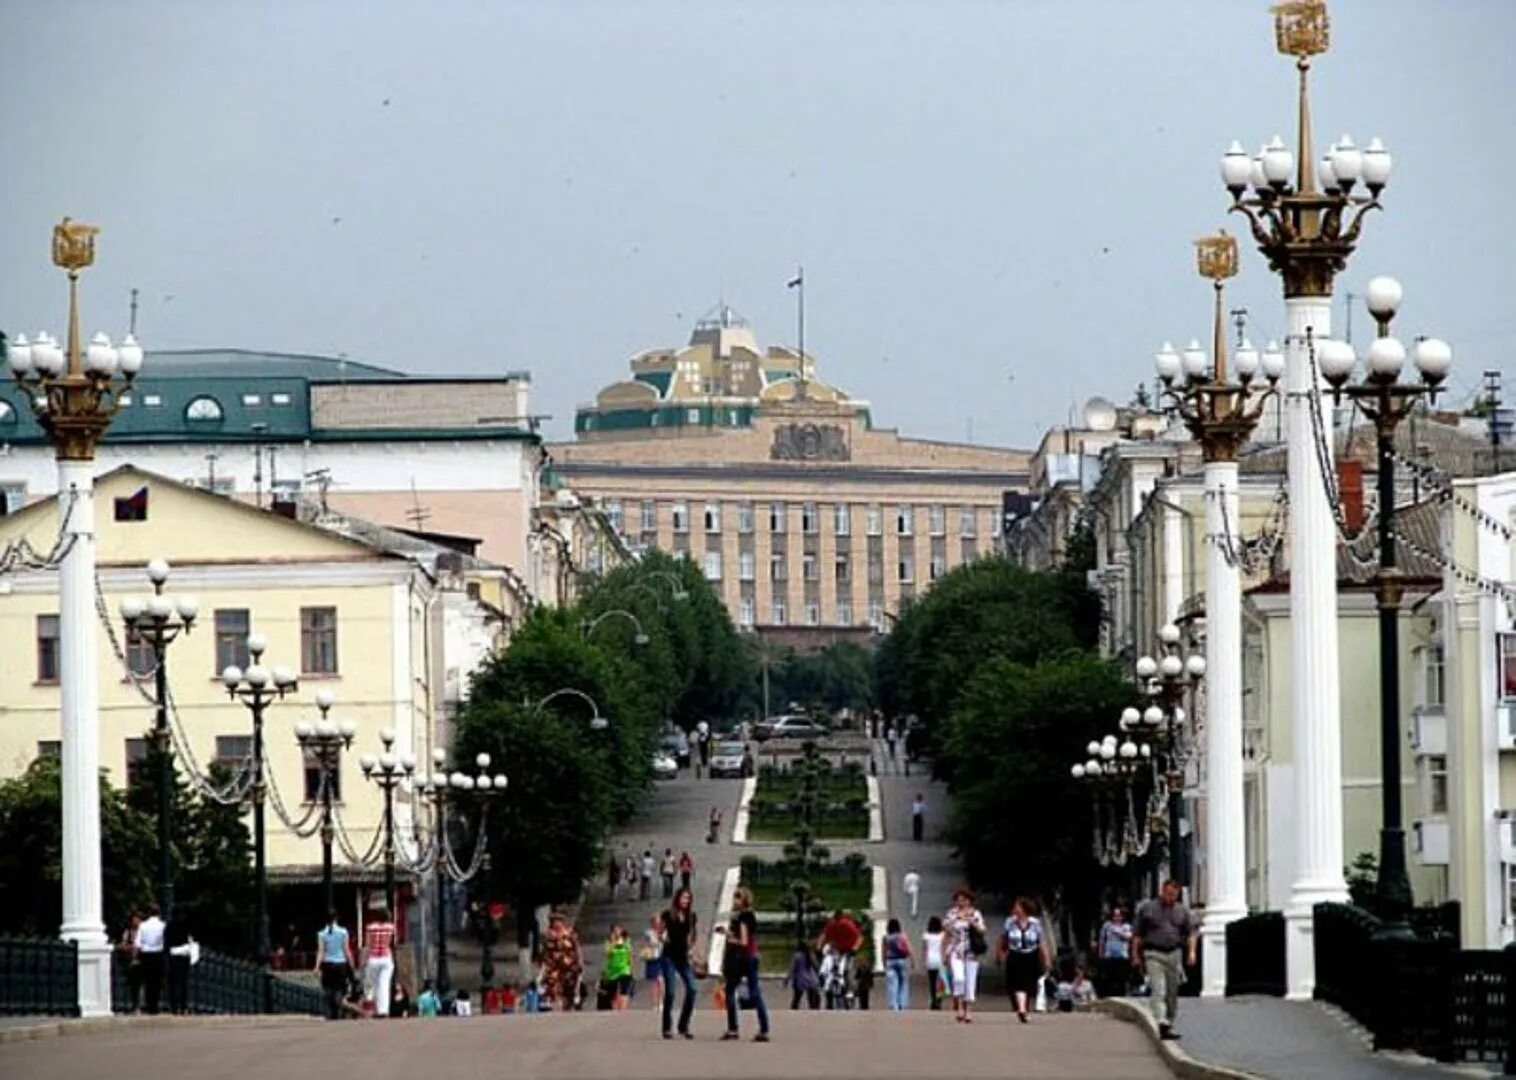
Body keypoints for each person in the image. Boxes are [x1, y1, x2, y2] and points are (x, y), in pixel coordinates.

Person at [1133, 879, 1195, 1041]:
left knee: (1172, 993)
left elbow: (1190, 934)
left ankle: (1168, 1022)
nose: (1171, 898)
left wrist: (1191, 953)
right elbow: (1138, 935)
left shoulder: (1182, 911)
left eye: (1174, 895)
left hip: (1174, 954)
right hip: (1153, 953)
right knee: (1158, 989)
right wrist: (1135, 955)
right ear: (1162, 891)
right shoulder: (1148, 909)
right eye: (1168, 894)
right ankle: (1161, 1021)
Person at [719, 887, 770, 1042]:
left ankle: (733, 1028)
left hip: (742, 958)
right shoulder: (751, 915)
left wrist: (728, 937)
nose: (735, 901)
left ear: (744, 900)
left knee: (730, 991)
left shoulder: (742, 917)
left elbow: (743, 941)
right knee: (755, 992)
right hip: (752, 956)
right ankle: (764, 1028)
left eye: (738, 898)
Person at [998, 897, 1051, 1023]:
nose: (1015, 909)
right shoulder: (1009, 922)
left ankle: (1023, 1009)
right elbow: (1003, 939)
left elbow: (1041, 942)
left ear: (1024, 909)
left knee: (1027, 983)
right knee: (1016, 984)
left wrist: (1047, 959)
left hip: (1030, 956)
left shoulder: (1035, 923)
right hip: (1014, 955)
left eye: (1018, 907)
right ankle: (1021, 1009)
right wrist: (1001, 954)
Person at [660, 886, 700, 1039]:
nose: (685, 901)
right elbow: (660, 930)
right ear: (677, 899)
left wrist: (692, 948)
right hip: (669, 956)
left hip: (683, 957)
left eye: (688, 898)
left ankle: (683, 1025)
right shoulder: (669, 914)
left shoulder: (691, 916)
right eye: (683, 898)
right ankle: (666, 1027)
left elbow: (693, 934)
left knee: (692, 989)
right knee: (670, 992)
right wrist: (663, 938)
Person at [943, 888, 986, 1024]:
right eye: (958, 900)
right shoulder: (952, 913)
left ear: (969, 901)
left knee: (970, 982)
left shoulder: (976, 913)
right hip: (956, 950)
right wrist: (944, 952)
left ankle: (968, 1011)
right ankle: (959, 1006)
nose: (961, 902)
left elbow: (982, 930)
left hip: (971, 951)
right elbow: (945, 929)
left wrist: (971, 921)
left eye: (964, 900)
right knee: (959, 978)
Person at [315, 910, 357, 1020]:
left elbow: (321, 951)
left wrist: (317, 966)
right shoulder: (343, 932)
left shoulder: (321, 934)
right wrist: (351, 962)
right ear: (336, 918)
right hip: (341, 963)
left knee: (328, 988)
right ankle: (338, 1009)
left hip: (327, 964)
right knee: (339, 988)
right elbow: (346, 949)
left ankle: (330, 1012)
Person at [541, 911, 583, 1015]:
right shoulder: (548, 936)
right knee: (553, 987)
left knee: (569, 989)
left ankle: (568, 1007)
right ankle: (557, 1008)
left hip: (570, 966)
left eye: (559, 921)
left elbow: (576, 947)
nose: (557, 924)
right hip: (554, 967)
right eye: (554, 921)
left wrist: (580, 961)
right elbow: (545, 951)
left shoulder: (570, 933)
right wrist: (543, 964)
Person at [361, 907, 398, 1018]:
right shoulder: (391, 928)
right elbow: (391, 943)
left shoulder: (371, 928)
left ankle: (374, 1008)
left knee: (373, 984)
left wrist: (363, 960)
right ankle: (383, 1010)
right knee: (384, 984)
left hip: (373, 958)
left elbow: (368, 945)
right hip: (386, 957)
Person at [1096, 905, 1134, 998]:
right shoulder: (1106, 926)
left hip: (1122, 956)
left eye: (1119, 915)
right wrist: (1101, 955)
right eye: (1115, 915)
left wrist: (1117, 932)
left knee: (1121, 978)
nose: (1116, 918)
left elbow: (1129, 937)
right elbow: (1102, 941)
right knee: (1109, 977)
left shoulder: (1127, 926)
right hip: (1109, 956)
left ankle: (1122, 994)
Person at [137, 903, 167, 1015]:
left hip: (146, 954)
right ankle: (156, 1005)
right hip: (158, 954)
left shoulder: (143, 926)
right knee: (157, 981)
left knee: (148, 981)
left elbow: (138, 943)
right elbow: (164, 941)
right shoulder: (162, 925)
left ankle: (149, 1004)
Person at [165, 912, 193, 1015]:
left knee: (173, 982)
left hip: (173, 953)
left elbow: (167, 941)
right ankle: (183, 1005)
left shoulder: (170, 926)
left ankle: (174, 1006)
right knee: (183, 982)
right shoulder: (186, 926)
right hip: (184, 953)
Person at [883, 918, 913, 1012]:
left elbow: (884, 951)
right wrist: (912, 960)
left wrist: (884, 962)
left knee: (892, 984)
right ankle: (902, 1004)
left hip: (890, 961)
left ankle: (893, 1004)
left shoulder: (886, 937)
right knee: (903, 983)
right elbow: (909, 948)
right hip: (902, 961)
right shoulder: (903, 936)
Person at [604, 923, 634, 1011]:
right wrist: (613, 942)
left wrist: (631, 967)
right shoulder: (608, 942)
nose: (616, 932)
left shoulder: (626, 941)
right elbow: (608, 954)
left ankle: (622, 1010)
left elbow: (630, 954)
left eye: (618, 930)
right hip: (612, 970)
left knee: (624, 990)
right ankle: (615, 1008)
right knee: (614, 992)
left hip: (624, 969)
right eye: (614, 931)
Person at [118, 912, 143, 1014]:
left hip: (142, 961)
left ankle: (140, 1005)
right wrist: (129, 948)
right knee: (133, 985)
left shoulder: (143, 932)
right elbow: (122, 945)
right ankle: (133, 1005)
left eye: (137, 919)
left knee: (141, 984)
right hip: (131, 962)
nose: (135, 921)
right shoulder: (128, 932)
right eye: (134, 919)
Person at [782, 944, 820, 1010]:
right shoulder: (810, 955)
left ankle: (793, 1013)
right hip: (810, 980)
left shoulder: (797, 956)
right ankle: (814, 1014)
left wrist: (787, 979)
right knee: (812, 1001)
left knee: (796, 999)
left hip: (800, 980)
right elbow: (816, 966)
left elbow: (792, 969)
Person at [641, 914, 665, 1011]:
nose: (657, 924)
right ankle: (655, 1003)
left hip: (662, 957)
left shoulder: (664, 931)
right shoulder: (648, 933)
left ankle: (661, 1002)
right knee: (654, 981)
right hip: (652, 957)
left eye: (658, 922)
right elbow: (645, 944)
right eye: (655, 922)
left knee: (661, 980)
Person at [922, 915, 946, 1011]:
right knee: (941, 983)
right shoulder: (943, 935)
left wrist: (924, 961)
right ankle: (939, 1000)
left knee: (932, 982)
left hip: (930, 959)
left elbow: (924, 949)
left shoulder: (926, 935)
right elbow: (944, 947)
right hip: (940, 959)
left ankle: (933, 1000)